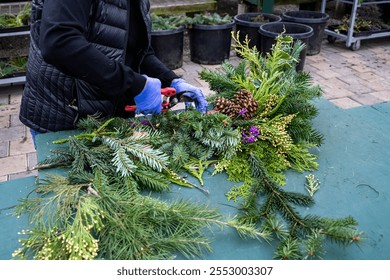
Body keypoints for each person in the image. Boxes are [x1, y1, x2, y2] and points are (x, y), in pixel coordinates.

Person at [19, 0, 208, 144]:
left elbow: (135, 48)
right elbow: (59, 42)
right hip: (65, 118)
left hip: (109, 115)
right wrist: (136, 85)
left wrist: (172, 81)